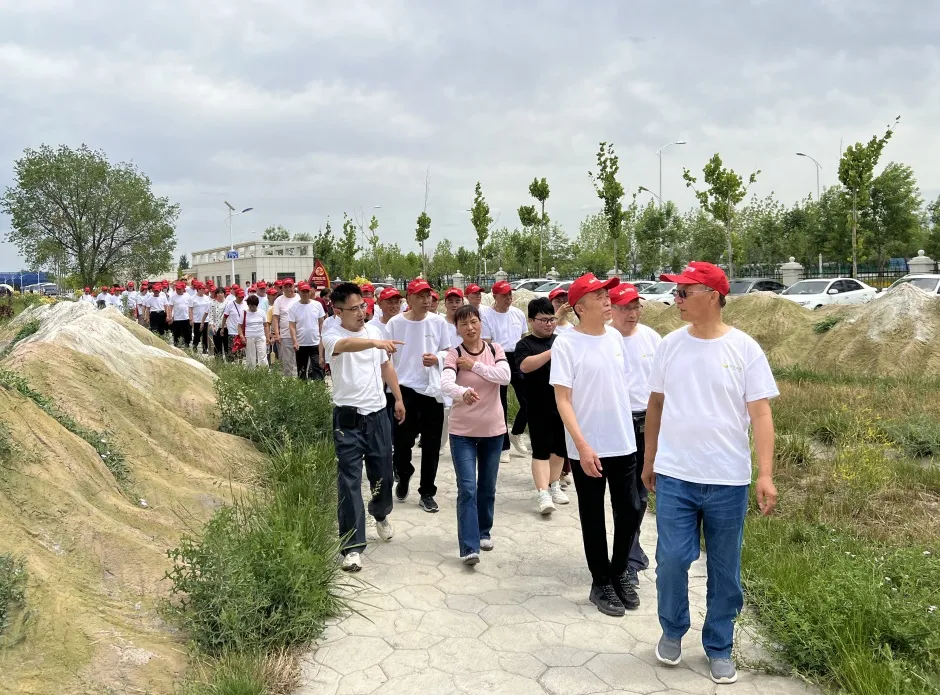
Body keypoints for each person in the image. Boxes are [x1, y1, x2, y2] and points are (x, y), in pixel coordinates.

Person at [642, 262, 778, 685]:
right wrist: (649, 459)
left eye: (685, 292)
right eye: (676, 292)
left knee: (724, 569)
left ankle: (719, 645)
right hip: (676, 475)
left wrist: (765, 474)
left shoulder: (744, 349)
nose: (677, 300)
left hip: (727, 480)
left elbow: (761, 413)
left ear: (714, 296)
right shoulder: (669, 346)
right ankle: (672, 628)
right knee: (672, 558)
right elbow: (656, 405)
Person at [550, 273, 641, 618]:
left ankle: (619, 571)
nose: (608, 301)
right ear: (579, 307)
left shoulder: (615, 337)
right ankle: (600, 581)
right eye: (600, 296)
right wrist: (582, 445)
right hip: (587, 446)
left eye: (607, 295)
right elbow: (563, 399)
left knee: (630, 509)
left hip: (622, 440)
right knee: (593, 515)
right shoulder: (566, 344)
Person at [323, 282, 406, 573]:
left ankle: (380, 513)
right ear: (338, 311)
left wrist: (398, 398)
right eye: (354, 309)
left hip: (377, 415)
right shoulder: (331, 333)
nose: (361, 312)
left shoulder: (375, 332)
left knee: (383, 474)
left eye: (363, 306)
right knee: (349, 481)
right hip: (348, 419)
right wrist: (374, 343)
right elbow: (344, 346)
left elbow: (386, 366)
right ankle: (352, 547)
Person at [440, 305, 511, 565]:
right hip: (463, 433)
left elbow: (505, 377)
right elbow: (446, 383)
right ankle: (469, 546)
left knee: (487, 487)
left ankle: (483, 531)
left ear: (481, 322)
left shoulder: (495, 349)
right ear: (457, 329)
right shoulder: (454, 353)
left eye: (474, 322)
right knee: (467, 488)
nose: (470, 328)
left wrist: (475, 366)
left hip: (493, 431)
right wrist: (462, 392)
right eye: (463, 324)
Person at [609, 283, 662, 587]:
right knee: (625, 495)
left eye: (636, 307)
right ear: (611, 309)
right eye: (625, 308)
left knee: (642, 492)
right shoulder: (605, 340)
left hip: (648, 423)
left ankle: (631, 544)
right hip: (617, 424)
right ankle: (627, 556)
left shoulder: (653, 338)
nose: (632, 313)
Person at [386, 278, 451, 513]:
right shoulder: (395, 323)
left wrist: (437, 359)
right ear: (409, 298)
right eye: (420, 297)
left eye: (429, 296)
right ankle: (404, 473)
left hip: (431, 389)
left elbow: (448, 351)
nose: (426, 301)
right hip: (403, 390)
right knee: (402, 442)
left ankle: (427, 492)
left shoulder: (438, 322)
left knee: (432, 444)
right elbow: (386, 358)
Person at [515, 298, 569, 515]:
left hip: (563, 404)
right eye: (544, 320)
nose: (549, 324)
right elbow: (525, 366)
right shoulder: (525, 345)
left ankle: (554, 484)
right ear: (531, 321)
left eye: (552, 319)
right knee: (541, 450)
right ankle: (543, 493)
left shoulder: (561, 340)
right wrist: (552, 352)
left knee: (559, 449)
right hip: (538, 405)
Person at [482, 280, 529, 463]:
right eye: (504, 295)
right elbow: (487, 341)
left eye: (510, 294)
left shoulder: (518, 314)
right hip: (497, 357)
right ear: (495, 296)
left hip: (517, 358)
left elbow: (524, 337)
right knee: (500, 404)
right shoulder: (486, 315)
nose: (509, 298)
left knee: (528, 399)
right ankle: (504, 446)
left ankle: (516, 432)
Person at [288, 281, 326, 380]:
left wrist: (322, 338)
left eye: (307, 291)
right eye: (303, 291)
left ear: (310, 292)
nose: (305, 294)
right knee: (302, 370)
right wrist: (295, 341)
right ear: (299, 292)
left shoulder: (317, 305)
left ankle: (318, 387)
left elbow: (321, 323)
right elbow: (292, 326)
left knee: (318, 367)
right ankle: (303, 388)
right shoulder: (293, 307)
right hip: (301, 343)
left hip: (315, 342)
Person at [271, 278, 299, 377]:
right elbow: (275, 319)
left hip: (300, 335)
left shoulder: (299, 298)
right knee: (287, 361)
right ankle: (289, 381)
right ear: (282, 288)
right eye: (286, 287)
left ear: (294, 287)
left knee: (299, 361)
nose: (288, 289)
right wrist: (277, 334)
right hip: (286, 335)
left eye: (290, 286)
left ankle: (299, 381)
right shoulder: (279, 300)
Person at [239, 294, 268, 369]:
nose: (251, 308)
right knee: (250, 356)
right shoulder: (244, 313)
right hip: (249, 337)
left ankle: (264, 371)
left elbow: (266, 325)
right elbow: (239, 326)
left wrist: (267, 337)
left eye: (253, 306)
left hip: (260, 336)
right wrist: (241, 336)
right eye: (250, 306)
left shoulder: (262, 312)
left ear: (257, 305)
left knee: (262, 355)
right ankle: (251, 372)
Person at [168, 281, 194, 349]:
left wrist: (191, 318)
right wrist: (170, 317)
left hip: (186, 318)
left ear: (183, 289)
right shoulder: (173, 297)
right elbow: (170, 308)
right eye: (177, 289)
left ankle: (187, 346)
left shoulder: (187, 296)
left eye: (179, 289)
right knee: (176, 334)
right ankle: (176, 347)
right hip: (177, 319)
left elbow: (190, 308)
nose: (178, 290)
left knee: (187, 334)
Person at [222, 288, 246, 358]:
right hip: (232, 331)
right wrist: (222, 328)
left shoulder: (245, 304)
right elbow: (225, 317)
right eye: (239, 297)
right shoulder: (230, 304)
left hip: (242, 332)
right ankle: (231, 363)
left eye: (242, 296)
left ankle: (239, 364)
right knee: (232, 351)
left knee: (241, 353)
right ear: (236, 296)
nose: (241, 298)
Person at [191, 282, 212, 355]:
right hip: (197, 319)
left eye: (204, 289)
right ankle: (195, 346)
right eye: (201, 289)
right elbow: (190, 309)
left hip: (206, 319)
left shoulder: (207, 298)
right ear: (198, 289)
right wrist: (191, 319)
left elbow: (209, 308)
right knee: (197, 335)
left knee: (205, 335)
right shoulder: (193, 298)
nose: (203, 290)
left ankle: (205, 349)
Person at [208, 288, 227, 357]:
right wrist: (212, 325)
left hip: (226, 327)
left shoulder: (228, 303)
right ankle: (218, 360)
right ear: (216, 294)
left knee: (227, 345)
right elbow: (211, 316)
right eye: (218, 293)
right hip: (215, 327)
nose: (220, 294)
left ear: (224, 294)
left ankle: (229, 361)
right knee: (217, 346)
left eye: (221, 293)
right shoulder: (212, 303)